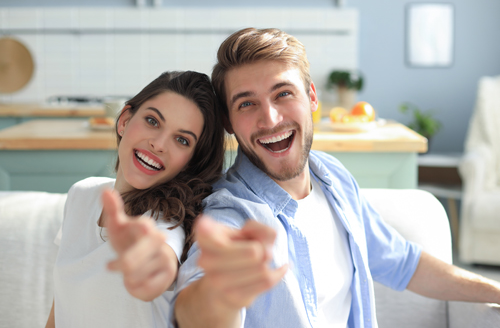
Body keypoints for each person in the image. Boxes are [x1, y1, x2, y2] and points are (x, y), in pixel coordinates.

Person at [172, 28, 500, 328]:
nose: (269, 119)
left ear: (312, 98)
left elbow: (401, 262)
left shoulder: (332, 176)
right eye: (246, 103)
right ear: (229, 122)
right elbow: (198, 302)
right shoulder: (230, 213)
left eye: (283, 94)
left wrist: (494, 290)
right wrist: (216, 296)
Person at [45, 71, 225, 328]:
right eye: (153, 121)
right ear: (125, 120)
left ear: (190, 163)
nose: (159, 143)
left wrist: (149, 268)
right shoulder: (81, 195)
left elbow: (159, 264)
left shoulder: (169, 222)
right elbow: (60, 308)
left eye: (182, 140)